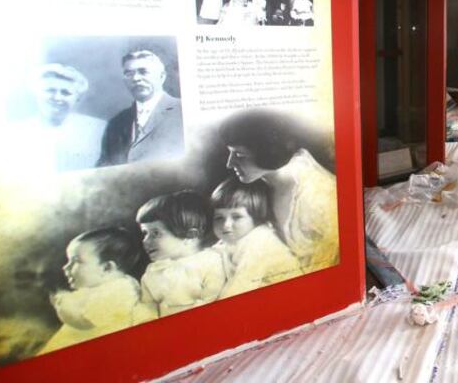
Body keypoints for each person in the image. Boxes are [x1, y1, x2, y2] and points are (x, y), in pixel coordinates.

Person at [221, 109, 339, 272]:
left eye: (239, 155)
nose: (229, 164)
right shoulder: (256, 183)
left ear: (267, 153)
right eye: (230, 153)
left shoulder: (314, 195)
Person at [38, 228, 145, 355]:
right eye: (68, 261)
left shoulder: (121, 290)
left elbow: (85, 321)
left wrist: (64, 304)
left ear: (106, 268)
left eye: (76, 261)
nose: (65, 267)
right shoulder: (104, 287)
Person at [136, 191, 226, 317]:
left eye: (155, 233)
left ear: (190, 236)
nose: (145, 241)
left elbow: (212, 300)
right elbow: (147, 307)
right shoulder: (153, 271)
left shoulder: (211, 262)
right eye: (145, 233)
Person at [210, 178, 302, 298]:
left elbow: (237, 291)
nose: (225, 224)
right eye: (219, 218)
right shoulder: (232, 240)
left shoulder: (261, 243)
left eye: (237, 217)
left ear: (256, 218)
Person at [98, 50, 184, 167]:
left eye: (143, 72)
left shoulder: (182, 111)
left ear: (162, 77)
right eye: (129, 73)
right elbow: (104, 166)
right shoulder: (116, 123)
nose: (136, 78)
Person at [21, 64, 106, 171]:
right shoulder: (17, 132)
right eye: (50, 90)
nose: (57, 97)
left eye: (66, 93)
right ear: (36, 93)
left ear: (77, 98)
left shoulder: (99, 130)